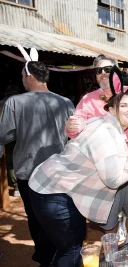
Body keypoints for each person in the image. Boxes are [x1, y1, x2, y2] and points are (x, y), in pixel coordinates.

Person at [29, 92, 128, 266]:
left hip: (46, 185)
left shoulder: (104, 125)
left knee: (55, 245)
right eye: (123, 105)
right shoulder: (107, 133)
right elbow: (113, 180)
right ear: (110, 109)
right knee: (71, 249)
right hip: (55, 193)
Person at [0, 60, 74, 266]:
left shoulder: (14, 103)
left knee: (36, 219)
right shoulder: (66, 102)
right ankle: (63, 254)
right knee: (61, 215)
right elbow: (74, 135)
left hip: (29, 171)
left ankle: (45, 258)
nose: (22, 81)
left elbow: (4, 135)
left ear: (30, 76)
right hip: (59, 170)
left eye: (23, 77)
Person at [66, 54, 128, 241]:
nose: (103, 74)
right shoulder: (88, 100)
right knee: (108, 221)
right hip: (105, 173)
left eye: (108, 70)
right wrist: (71, 128)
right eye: (98, 71)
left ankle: (127, 240)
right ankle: (113, 250)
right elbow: (76, 126)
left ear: (117, 73)